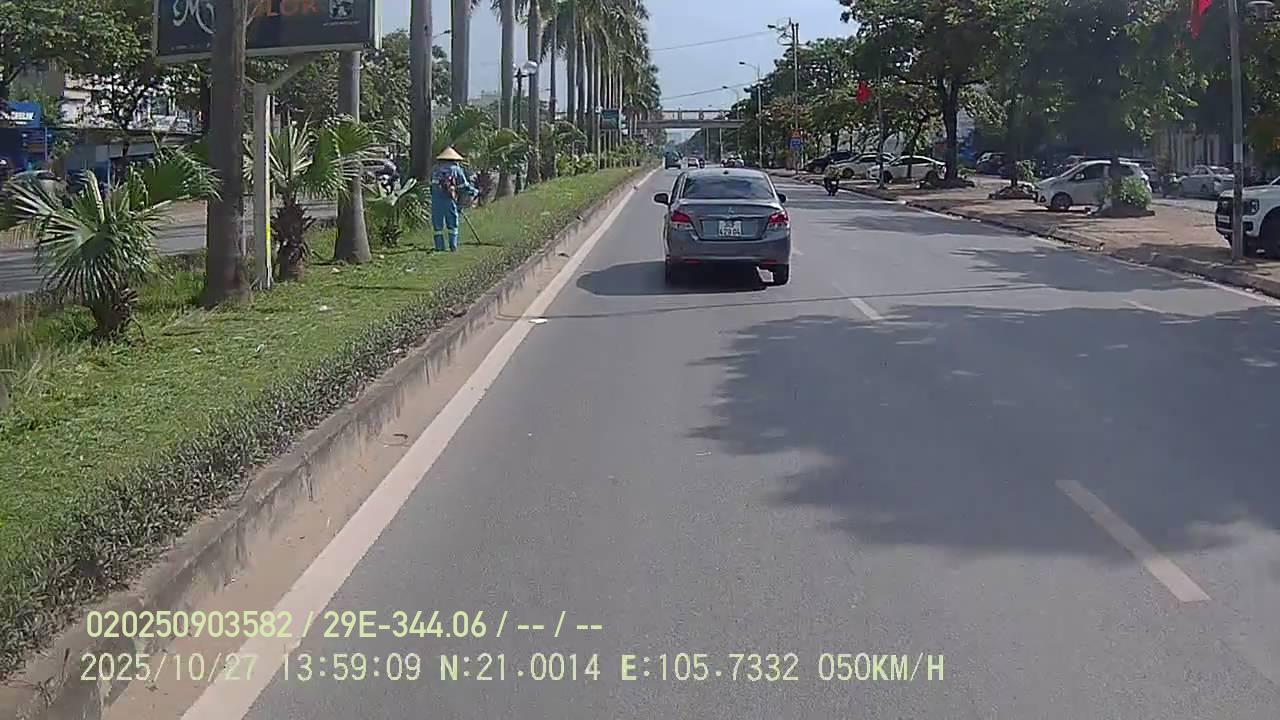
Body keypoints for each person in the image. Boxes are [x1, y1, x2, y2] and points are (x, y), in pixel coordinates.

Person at [430, 147, 478, 252]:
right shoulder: (456, 170)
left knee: (437, 225)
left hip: (436, 200)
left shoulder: (435, 170)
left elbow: (431, 186)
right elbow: (463, 186)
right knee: (452, 222)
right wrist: (474, 192)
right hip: (449, 199)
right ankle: (453, 246)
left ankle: (439, 246)